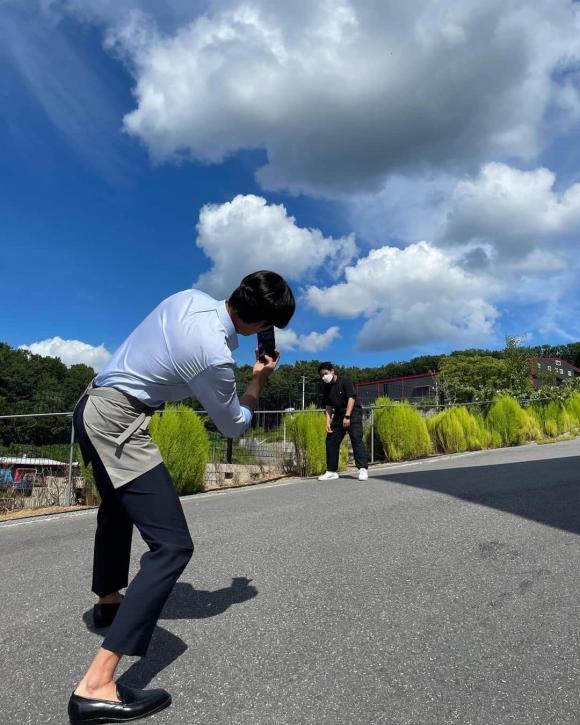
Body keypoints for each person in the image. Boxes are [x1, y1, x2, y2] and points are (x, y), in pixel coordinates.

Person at [68, 271, 295, 724]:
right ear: (258, 323)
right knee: (172, 546)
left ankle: (108, 603)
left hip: (91, 403)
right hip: (119, 420)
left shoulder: (189, 298)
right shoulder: (213, 355)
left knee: (117, 507)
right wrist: (258, 384)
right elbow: (233, 425)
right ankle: (96, 686)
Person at [317, 363, 368, 482]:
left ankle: (362, 469)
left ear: (332, 371)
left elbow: (351, 398)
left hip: (353, 413)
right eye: (322, 375)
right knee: (330, 439)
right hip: (339, 415)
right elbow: (328, 406)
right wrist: (327, 422)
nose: (324, 377)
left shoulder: (345, 381)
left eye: (326, 373)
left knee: (356, 437)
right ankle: (331, 471)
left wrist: (347, 416)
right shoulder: (326, 387)